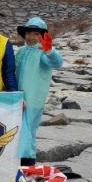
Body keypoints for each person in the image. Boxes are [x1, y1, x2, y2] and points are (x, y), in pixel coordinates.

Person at [15, 17, 63, 166]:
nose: (31, 37)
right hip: (17, 99)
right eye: (29, 33)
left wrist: (50, 51)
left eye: (36, 34)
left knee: (28, 133)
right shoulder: (21, 52)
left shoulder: (43, 53)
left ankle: (28, 166)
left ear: (42, 36)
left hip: (33, 101)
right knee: (17, 131)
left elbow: (57, 63)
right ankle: (15, 165)